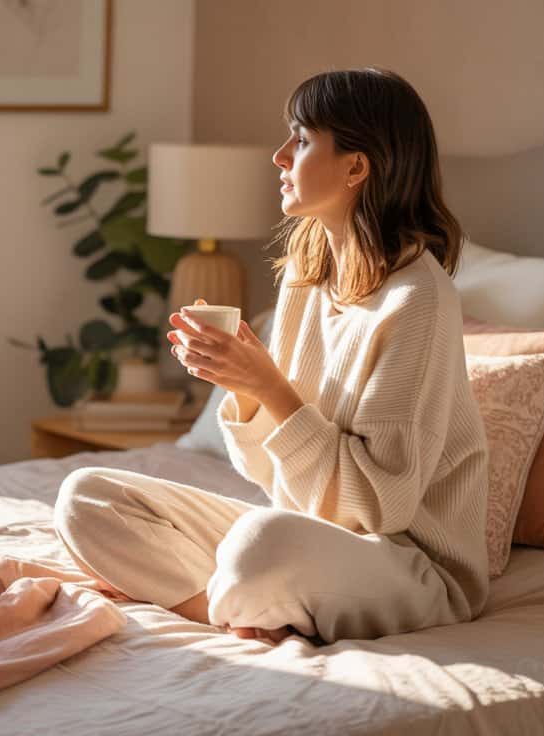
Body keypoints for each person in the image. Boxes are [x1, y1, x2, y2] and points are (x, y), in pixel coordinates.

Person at [52, 68, 489, 646]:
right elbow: (267, 473)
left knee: (261, 542)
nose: (280, 156)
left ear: (357, 167)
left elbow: (379, 510)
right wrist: (241, 383)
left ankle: (238, 594)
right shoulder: (307, 279)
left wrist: (271, 389)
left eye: (302, 140)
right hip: (303, 532)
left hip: (407, 565)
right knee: (86, 496)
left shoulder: (418, 300)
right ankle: (233, 606)